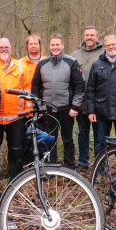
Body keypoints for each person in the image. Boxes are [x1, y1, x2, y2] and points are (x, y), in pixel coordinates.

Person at [31, 34, 85, 169]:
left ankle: (70, 167)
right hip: (48, 110)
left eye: (57, 45)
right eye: (52, 45)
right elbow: (35, 86)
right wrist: (39, 107)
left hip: (66, 109)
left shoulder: (71, 62)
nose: (55, 47)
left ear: (62, 46)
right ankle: (50, 166)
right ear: (49, 46)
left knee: (68, 139)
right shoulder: (42, 63)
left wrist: (75, 107)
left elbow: (79, 86)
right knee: (49, 139)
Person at [0, 38, 25, 180]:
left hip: (15, 115)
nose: (4, 49)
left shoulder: (20, 66)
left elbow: (26, 88)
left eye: (6, 47)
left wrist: (26, 110)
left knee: (16, 146)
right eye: (1, 47)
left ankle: (15, 174)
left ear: (11, 48)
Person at [71, 26, 104, 170]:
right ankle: (83, 162)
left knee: (99, 135)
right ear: (83, 37)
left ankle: (100, 164)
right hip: (80, 101)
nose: (89, 38)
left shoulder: (104, 53)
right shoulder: (75, 54)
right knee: (83, 133)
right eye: (87, 35)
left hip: (99, 102)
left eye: (92, 35)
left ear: (97, 37)